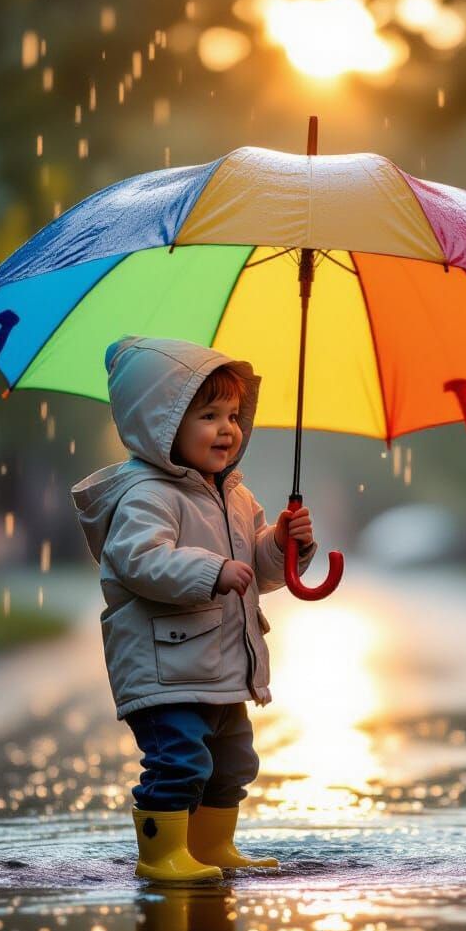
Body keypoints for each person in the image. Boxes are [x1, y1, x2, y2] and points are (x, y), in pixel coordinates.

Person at [71, 336, 318, 881]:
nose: (228, 429)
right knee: (179, 761)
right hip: (167, 670)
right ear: (161, 425)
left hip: (221, 669)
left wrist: (281, 542)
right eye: (209, 415)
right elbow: (137, 560)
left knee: (232, 763)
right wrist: (211, 570)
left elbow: (259, 573)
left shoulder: (235, 495)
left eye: (233, 414)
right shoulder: (146, 494)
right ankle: (161, 855)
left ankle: (210, 847)